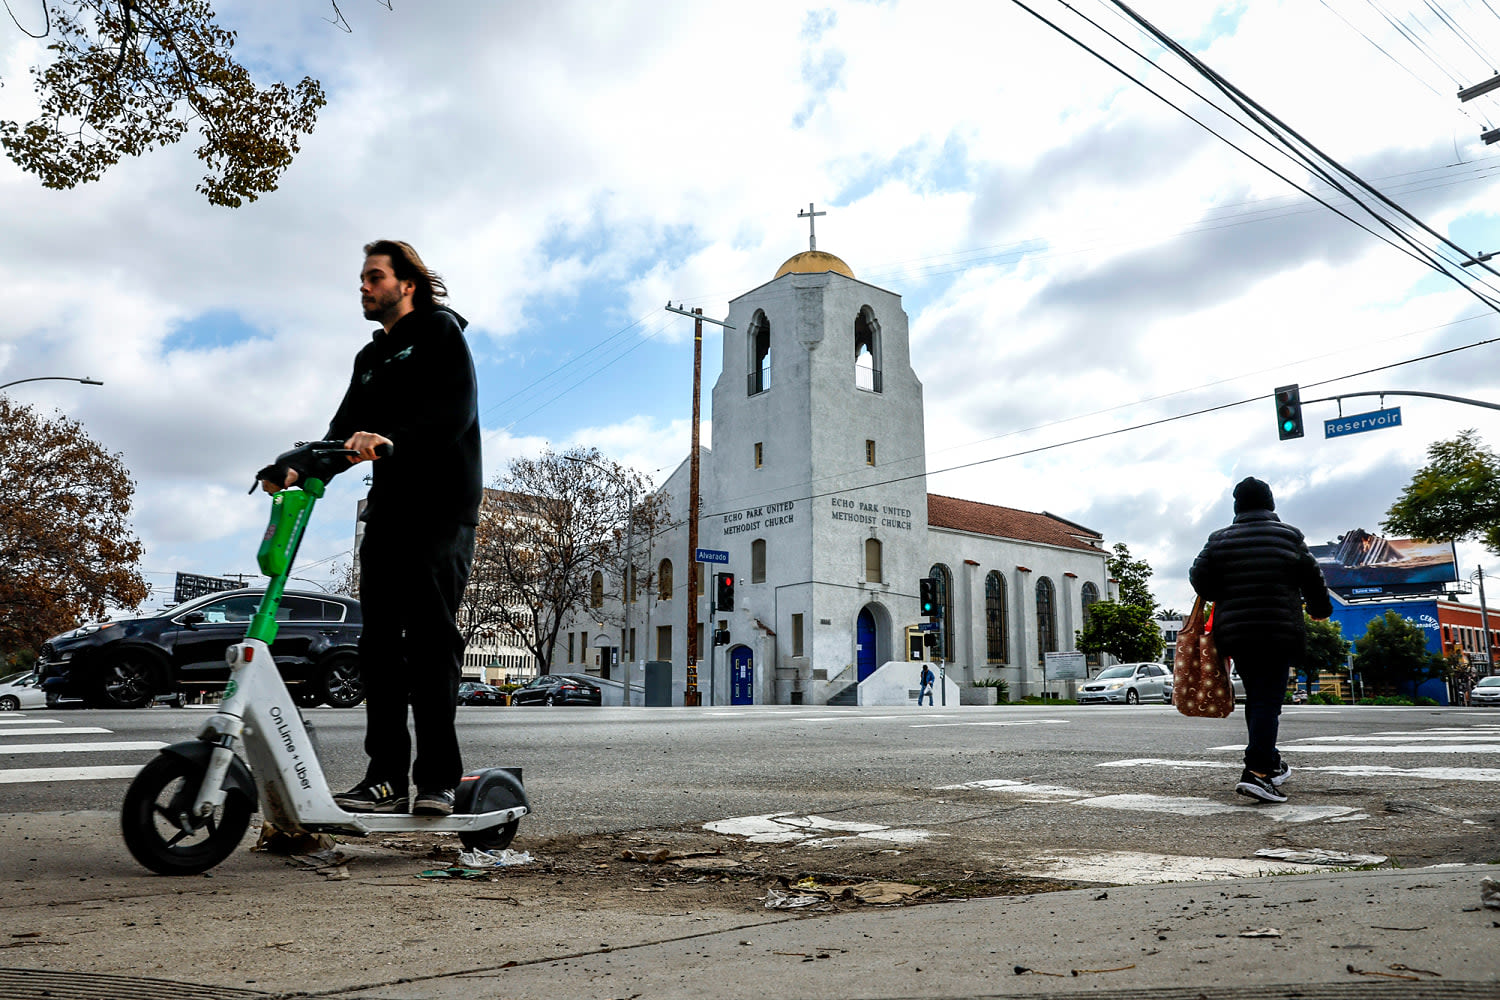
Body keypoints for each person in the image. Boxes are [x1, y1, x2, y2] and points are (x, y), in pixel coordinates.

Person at [260, 239, 481, 817]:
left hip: (441, 509)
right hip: (388, 512)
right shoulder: (370, 358)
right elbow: (341, 434)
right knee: (378, 644)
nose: (363, 286)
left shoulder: (439, 333)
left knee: (430, 642)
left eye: (374, 277)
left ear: (406, 283)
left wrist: (392, 441)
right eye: (361, 278)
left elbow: (452, 415)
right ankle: (385, 779)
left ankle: (437, 778)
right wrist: (297, 464)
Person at [1189, 477, 1331, 804]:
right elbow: (1313, 579)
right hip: (1278, 631)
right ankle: (1257, 772)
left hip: (1237, 634)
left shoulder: (1219, 540)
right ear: (1271, 504)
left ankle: (1270, 761)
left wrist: (1223, 589)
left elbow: (1200, 580)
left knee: (1258, 698)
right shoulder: (1290, 536)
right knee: (1267, 701)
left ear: (1237, 506)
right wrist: (1321, 610)